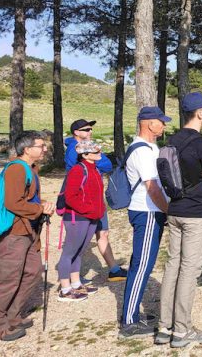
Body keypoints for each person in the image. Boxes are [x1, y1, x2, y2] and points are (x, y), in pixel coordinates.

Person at [156, 93, 202, 348]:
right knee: (189, 271)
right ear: (200, 113)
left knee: (173, 266)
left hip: (175, 210)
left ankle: (164, 327)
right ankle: (182, 331)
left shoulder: (171, 140)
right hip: (196, 214)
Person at [0, 130, 56, 342]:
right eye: (40, 146)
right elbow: (13, 203)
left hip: (28, 230)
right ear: (27, 149)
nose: (45, 149)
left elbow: (27, 199)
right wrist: (40, 209)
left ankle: (14, 316)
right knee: (7, 279)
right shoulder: (17, 169)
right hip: (13, 233)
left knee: (33, 271)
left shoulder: (31, 168)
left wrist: (42, 204)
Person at [119, 107, 170, 338]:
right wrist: (168, 210)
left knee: (141, 264)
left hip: (148, 211)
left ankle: (132, 314)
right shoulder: (142, 151)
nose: (164, 126)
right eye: (161, 122)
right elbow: (152, 187)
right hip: (147, 212)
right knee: (142, 266)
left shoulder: (149, 148)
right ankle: (129, 322)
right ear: (149, 124)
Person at [65, 119, 127, 282]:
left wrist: (95, 162)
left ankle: (114, 269)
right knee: (78, 241)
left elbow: (107, 165)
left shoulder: (90, 146)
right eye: (86, 129)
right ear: (76, 132)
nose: (90, 131)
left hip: (97, 201)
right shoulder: (73, 149)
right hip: (84, 203)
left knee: (103, 232)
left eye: (91, 129)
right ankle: (71, 280)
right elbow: (78, 170)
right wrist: (95, 164)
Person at [57, 140, 105, 302]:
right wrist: (88, 209)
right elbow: (71, 197)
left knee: (79, 251)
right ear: (85, 155)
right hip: (77, 217)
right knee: (69, 252)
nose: (99, 153)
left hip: (91, 217)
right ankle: (65, 289)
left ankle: (76, 284)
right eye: (96, 151)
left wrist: (97, 211)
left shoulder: (94, 169)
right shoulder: (78, 170)